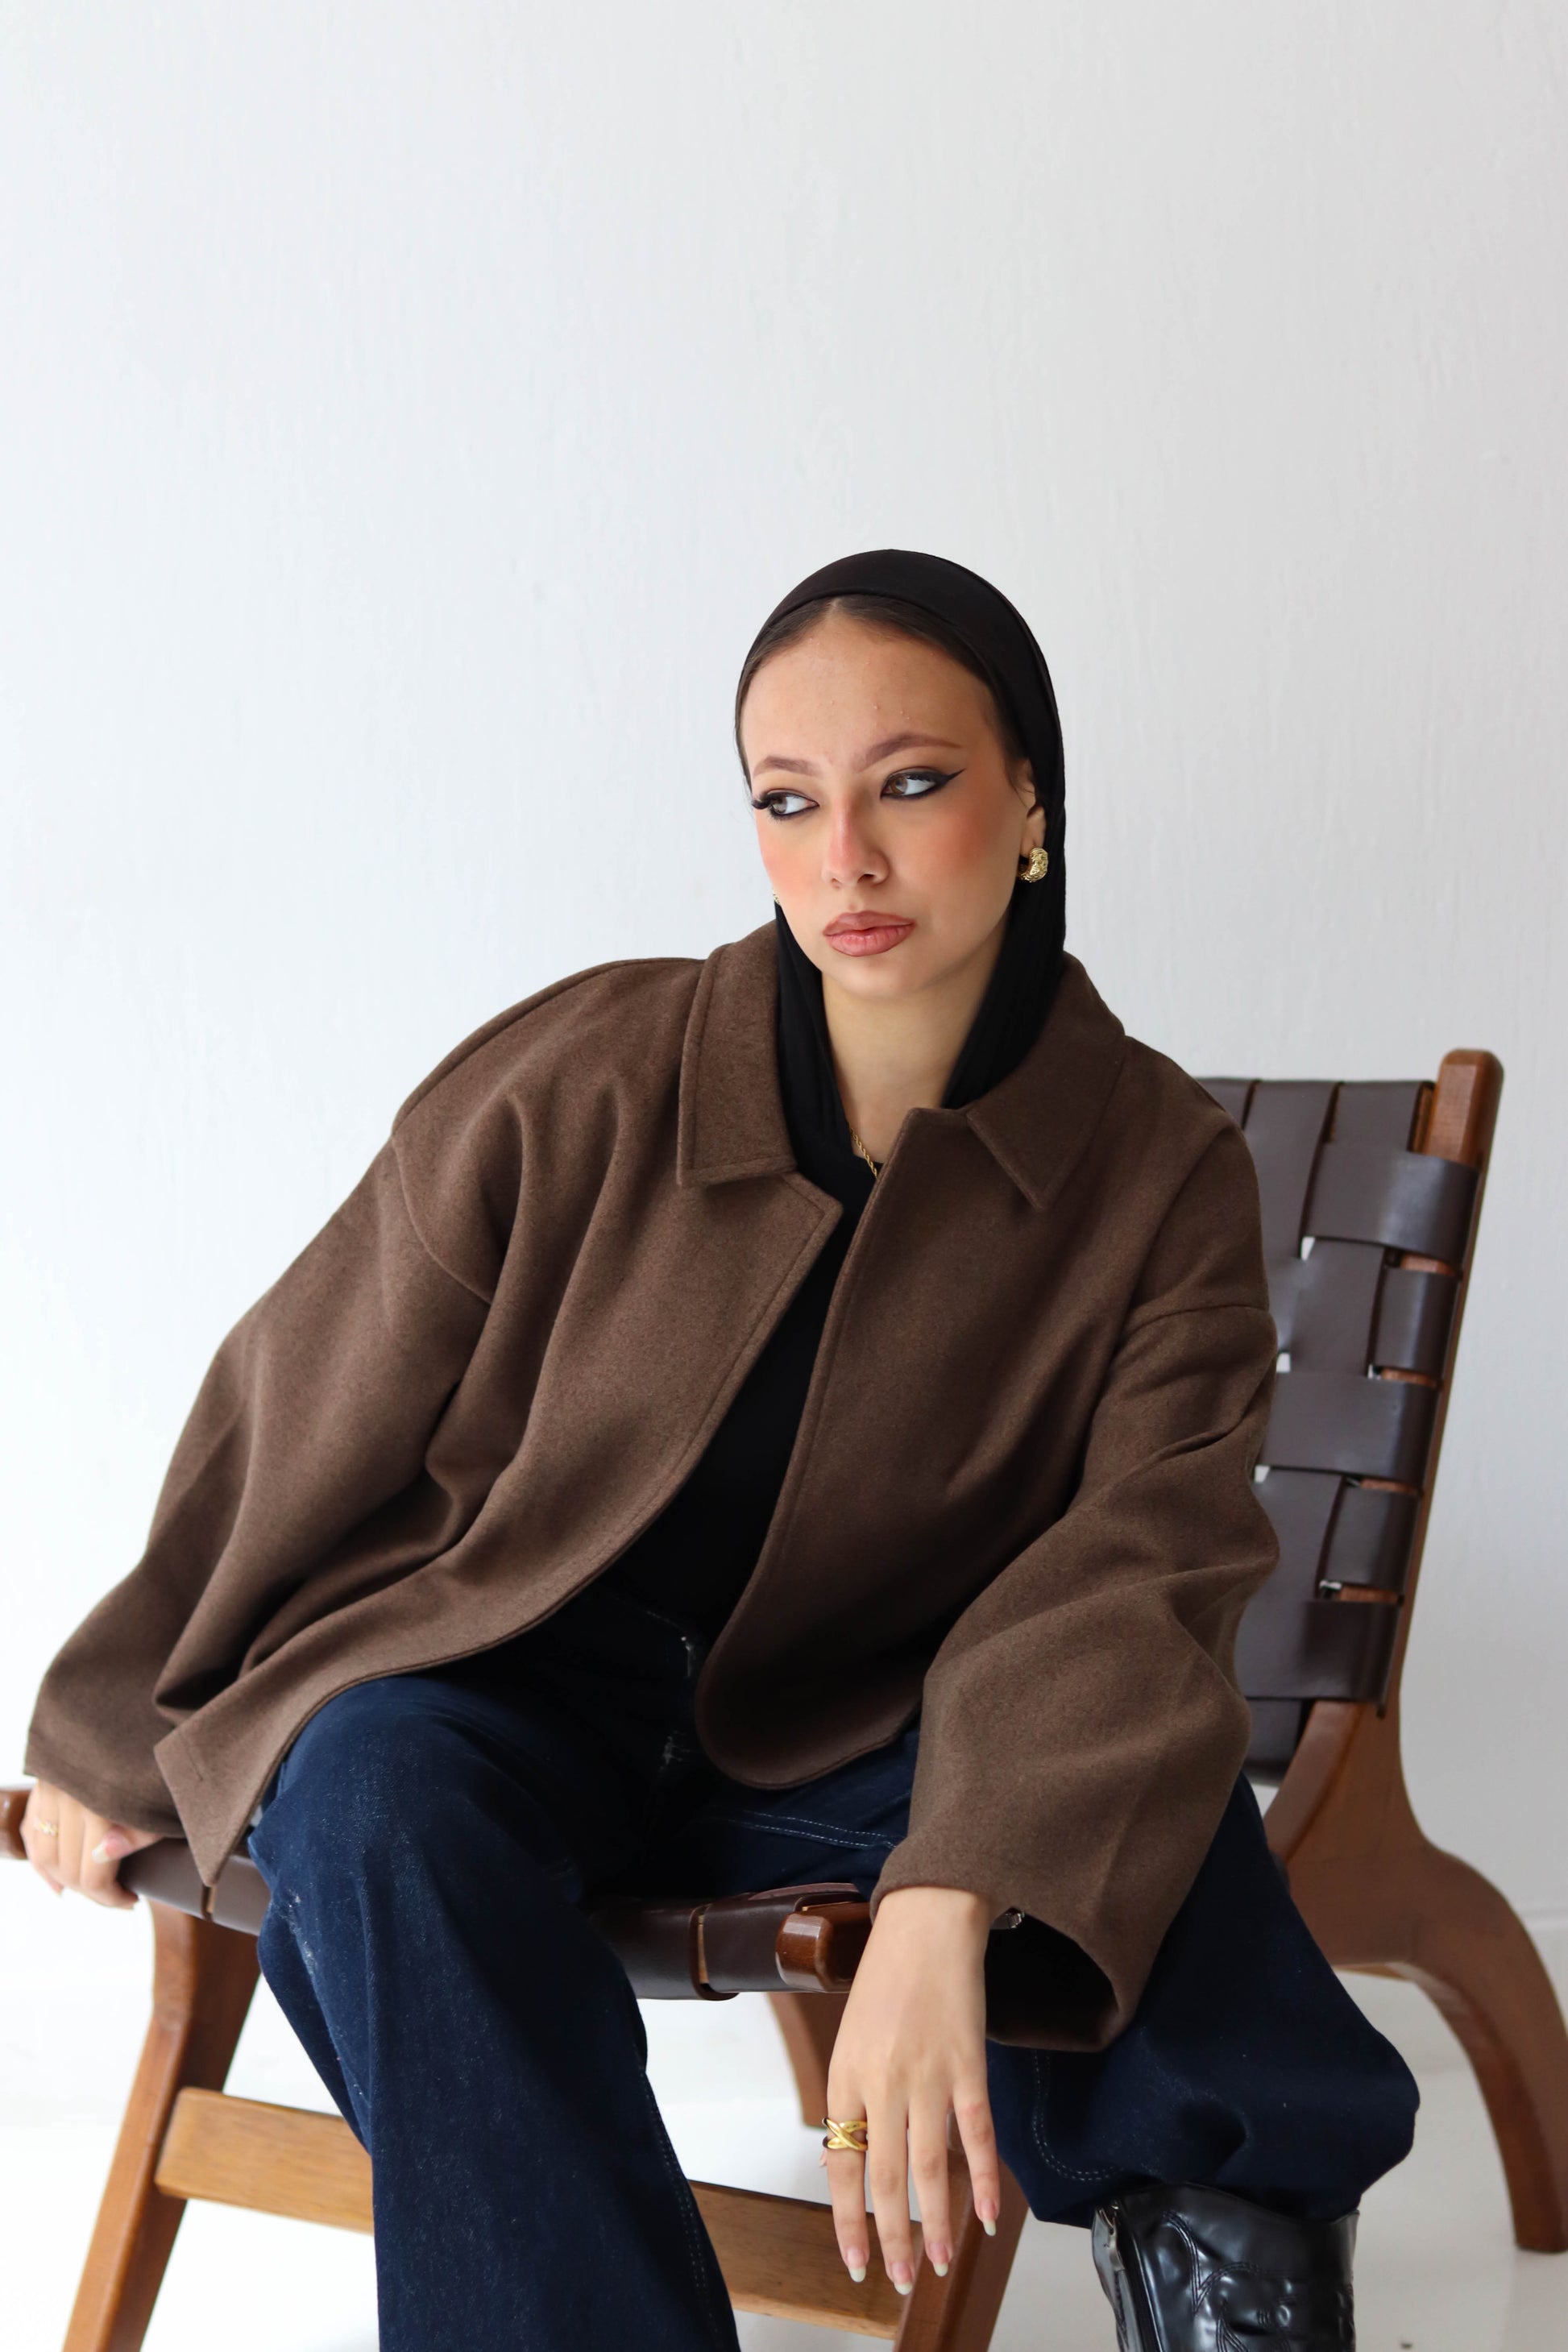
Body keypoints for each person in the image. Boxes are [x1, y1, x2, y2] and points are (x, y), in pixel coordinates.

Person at [23, 551, 1417, 2351]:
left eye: (910, 783)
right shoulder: (596, 1067)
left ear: (1031, 802)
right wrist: (106, 1721)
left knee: (1134, 1785)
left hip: (874, 1719)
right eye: (788, 800)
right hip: (516, 1679)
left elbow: (1141, 1553)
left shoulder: (1154, 1168)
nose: (847, 860)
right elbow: (313, 1383)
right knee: (369, 1795)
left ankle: (1240, 2286)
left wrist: (952, 1884)